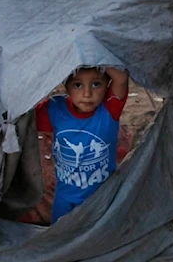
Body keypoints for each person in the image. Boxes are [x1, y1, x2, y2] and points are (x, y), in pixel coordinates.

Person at [36, 67, 128, 223]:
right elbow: (24, 115)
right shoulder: (54, 109)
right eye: (78, 85)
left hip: (102, 200)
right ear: (66, 86)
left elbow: (121, 79)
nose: (87, 94)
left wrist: (94, 54)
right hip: (64, 199)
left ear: (107, 85)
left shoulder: (109, 109)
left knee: (98, 241)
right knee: (60, 239)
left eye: (96, 84)